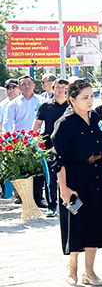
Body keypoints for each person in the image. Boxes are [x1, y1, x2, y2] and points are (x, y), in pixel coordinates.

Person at [51, 79, 102, 287]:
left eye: (92, 96)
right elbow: (58, 159)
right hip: (75, 178)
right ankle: (72, 268)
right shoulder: (64, 123)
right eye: (84, 97)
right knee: (76, 224)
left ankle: (89, 271)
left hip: (97, 176)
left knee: (96, 222)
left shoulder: (96, 117)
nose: (90, 101)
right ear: (72, 99)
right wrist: (64, 188)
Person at [5, 75, 47, 207]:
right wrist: (9, 141)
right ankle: (22, 196)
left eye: (29, 84)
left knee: (39, 169)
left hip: (38, 140)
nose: (26, 86)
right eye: (23, 84)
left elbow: (46, 121)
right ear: (19, 87)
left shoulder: (42, 101)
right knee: (21, 169)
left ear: (34, 85)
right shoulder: (13, 104)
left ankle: (38, 197)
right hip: (20, 142)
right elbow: (8, 124)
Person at [33, 78, 70, 217]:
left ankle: (70, 203)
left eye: (63, 87)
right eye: (57, 87)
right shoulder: (45, 106)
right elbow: (37, 124)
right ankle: (52, 206)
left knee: (70, 176)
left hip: (69, 146)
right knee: (51, 178)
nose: (60, 90)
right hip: (49, 146)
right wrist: (34, 138)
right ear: (53, 89)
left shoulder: (72, 106)